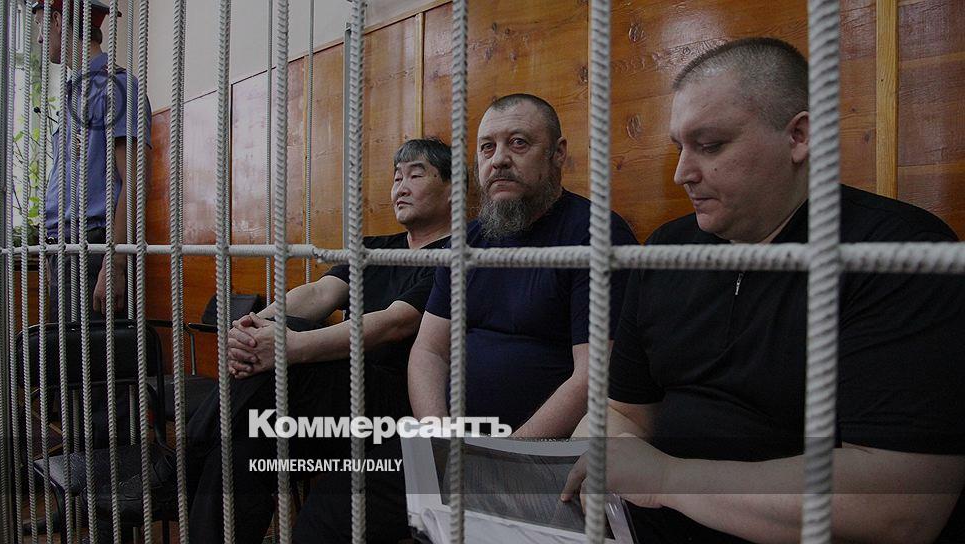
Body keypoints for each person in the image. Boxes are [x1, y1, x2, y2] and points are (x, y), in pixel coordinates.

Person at [560, 37, 965, 544]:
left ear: (799, 136)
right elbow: (624, 413)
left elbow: (899, 505)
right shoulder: (666, 249)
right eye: (679, 147)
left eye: (710, 145)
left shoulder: (895, 253)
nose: (682, 173)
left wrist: (667, 480)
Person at [293, 94, 639, 543]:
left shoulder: (594, 233)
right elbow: (429, 351)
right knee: (330, 512)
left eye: (518, 143)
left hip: (541, 454)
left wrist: (505, 456)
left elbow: (593, 373)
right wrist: (439, 440)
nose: (499, 159)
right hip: (451, 445)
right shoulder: (468, 241)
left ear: (557, 154)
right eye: (487, 147)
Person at [184, 138, 454, 544]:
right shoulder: (374, 248)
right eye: (397, 177)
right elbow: (318, 294)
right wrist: (253, 327)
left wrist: (287, 345)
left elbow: (394, 323)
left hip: (396, 399)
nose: (401, 187)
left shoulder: (455, 254)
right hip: (336, 400)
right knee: (241, 452)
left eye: (416, 175)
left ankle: (186, 454)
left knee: (291, 344)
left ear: (452, 189)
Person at [32, 0, 151, 323]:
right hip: (66, 248)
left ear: (58, 21)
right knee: (66, 351)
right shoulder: (76, 92)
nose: (40, 38)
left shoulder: (117, 87)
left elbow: (136, 180)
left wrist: (115, 262)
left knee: (93, 353)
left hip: (95, 248)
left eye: (42, 25)